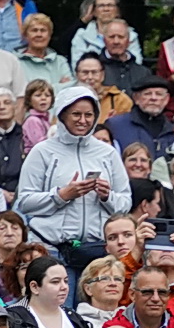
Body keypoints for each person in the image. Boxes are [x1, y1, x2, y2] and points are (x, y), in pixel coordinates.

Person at [15, 85, 130, 288]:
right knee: (58, 312)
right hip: (52, 249)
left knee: (95, 313)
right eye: (76, 114)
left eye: (89, 115)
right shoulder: (42, 151)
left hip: (97, 250)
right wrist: (62, 195)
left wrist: (107, 196)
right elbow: (24, 202)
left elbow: (125, 203)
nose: (83, 121)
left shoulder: (108, 153)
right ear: (62, 115)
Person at [105, 75, 174, 155]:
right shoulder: (115, 125)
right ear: (136, 98)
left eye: (159, 94)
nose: (153, 98)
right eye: (147, 94)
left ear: (166, 99)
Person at [69, 0, 143, 67]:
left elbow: (136, 64)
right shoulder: (82, 36)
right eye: (101, 5)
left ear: (117, 10)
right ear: (93, 11)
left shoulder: (131, 35)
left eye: (110, 5)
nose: (106, 9)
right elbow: (77, 67)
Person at [14, 14, 73, 92]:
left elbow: (70, 90)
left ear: (49, 35)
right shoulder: (15, 61)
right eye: (34, 30)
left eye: (43, 30)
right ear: (25, 35)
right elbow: (20, 92)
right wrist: (58, 87)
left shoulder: (60, 61)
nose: (39, 35)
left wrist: (33, 90)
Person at [76, 255, 128, 326]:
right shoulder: (77, 323)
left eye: (117, 279)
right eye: (104, 279)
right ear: (88, 289)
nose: (113, 283)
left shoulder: (133, 318)